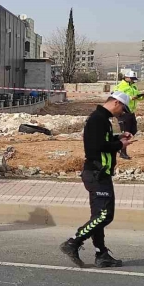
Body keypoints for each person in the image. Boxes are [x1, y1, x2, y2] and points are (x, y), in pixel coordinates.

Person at [59, 91, 136, 268]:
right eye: (123, 109)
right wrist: (120, 145)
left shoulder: (104, 119)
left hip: (101, 173)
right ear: (116, 103)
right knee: (105, 216)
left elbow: (103, 141)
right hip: (96, 174)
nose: (122, 113)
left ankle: (101, 254)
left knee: (98, 216)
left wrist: (118, 138)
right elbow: (95, 148)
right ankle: (73, 242)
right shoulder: (97, 120)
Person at [114, 71, 144, 159]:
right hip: (123, 112)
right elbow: (116, 98)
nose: (133, 81)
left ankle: (116, 145)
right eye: (131, 79)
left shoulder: (133, 86)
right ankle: (122, 152)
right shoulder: (120, 86)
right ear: (126, 77)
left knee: (133, 130)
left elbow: (136, 98)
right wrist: (129, 98)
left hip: (131, 112)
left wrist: (142, 97)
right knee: (125, 133)